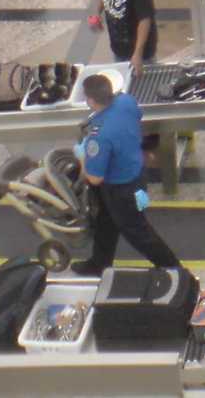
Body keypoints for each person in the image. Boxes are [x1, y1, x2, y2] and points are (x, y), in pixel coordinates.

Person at [71, 72, 181, 277]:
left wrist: (82, 156)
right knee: (106, 219)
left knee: (136, 231)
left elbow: (95, 178)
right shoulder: (126, 101)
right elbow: (136, 118)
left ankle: (173, 269)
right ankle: (99, 263)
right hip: (136, 171)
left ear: (91, 101)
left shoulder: (99, 136)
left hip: (119, 188)